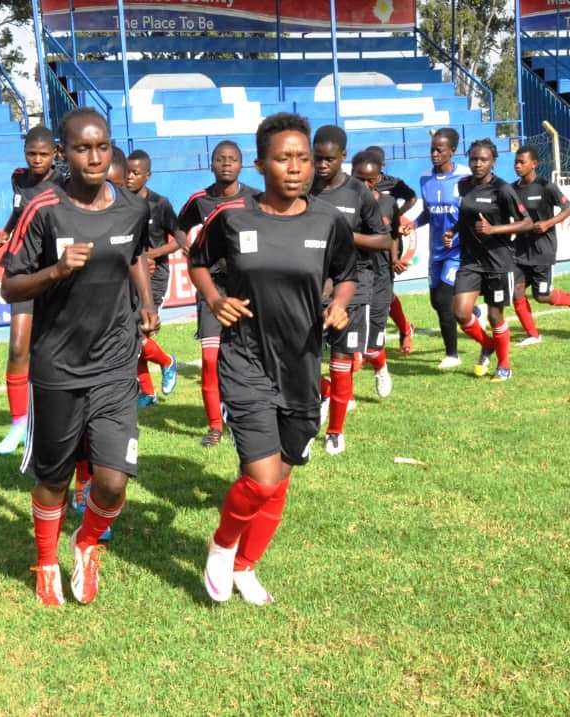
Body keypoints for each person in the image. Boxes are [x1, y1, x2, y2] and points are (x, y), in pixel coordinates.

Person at [189, 112, 357, 606]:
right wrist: (214, 298)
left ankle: (246, 566)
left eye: (303, 158)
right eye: (284, 158)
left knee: (279, 479)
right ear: (261, 163)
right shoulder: (233, 216)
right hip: (245, 360)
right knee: (260, 477)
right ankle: (222, 546)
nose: (296, 167)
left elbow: (347, 271)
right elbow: (198, 261)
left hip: (302, 365)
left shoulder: (328, 221)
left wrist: (341, 305)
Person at [1, 108, 159, 606]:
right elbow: (9, 286)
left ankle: (86, 543)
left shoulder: (132, 207)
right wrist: (55, 271)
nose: (94, 157)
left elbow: (135, 254)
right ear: (65, 155)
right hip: (58, 366)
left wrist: (147, 303)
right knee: (54, 478)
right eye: (82, 148)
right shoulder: (43, 207)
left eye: (102, 147)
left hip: (115, 362)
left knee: (112, 482)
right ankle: (46, 560)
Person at [309, 125, 390, 456]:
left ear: (343, 157)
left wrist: (343, 235)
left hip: (353, 286)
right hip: (311, 286)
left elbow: (384, 240)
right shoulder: (304, 188)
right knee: (302, 361)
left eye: (329, 159)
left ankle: (335, 431)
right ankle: (321, 395)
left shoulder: (359, 193)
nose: (323, 165)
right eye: (318, 158)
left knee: (342, 358)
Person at [176, 140, 260, 448]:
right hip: (212, 287)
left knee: (249, 357)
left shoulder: (254, 198)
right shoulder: (200, 200)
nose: (226, 163)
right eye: (220, 159)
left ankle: (248, 415)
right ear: (211, 164)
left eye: (233, 159)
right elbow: (179, 228)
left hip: (246, 288)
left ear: (242, 165)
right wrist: (189, 247)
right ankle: (214, 426)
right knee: (210, 359)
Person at [0, 126, 58, 455]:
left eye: (43, 154)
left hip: (55, 272)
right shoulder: (18, 177)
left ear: (55, 154)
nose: (36, 160)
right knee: (18, 347)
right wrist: (6, 231)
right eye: (31, 153)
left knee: (54, 349)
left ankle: (53, 417)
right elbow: (19, 211)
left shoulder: (63, 183)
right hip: (23, 269)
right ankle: (19, 422)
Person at [450, 139, 532, 382]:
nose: (477, 163)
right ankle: (487, 344)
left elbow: (526, 222)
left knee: (495, 316)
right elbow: (467, 217)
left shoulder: (503, 189)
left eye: (483, 159)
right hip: (470, 261)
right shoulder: (463, 186)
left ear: (493, 161)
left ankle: (504, 365)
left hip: (499, 262)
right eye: (474, 159)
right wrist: (453, 231)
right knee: (461, 312)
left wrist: (493, 230)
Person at [351, 151, 414, 397]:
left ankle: (380, 367)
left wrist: (395, 258)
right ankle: (346, 395)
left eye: (369, 179)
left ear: (377, 179)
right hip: (354, 276)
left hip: (381, 276)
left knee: (372, 343)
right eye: (359, 179)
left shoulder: (388, 203)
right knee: (350, 339)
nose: (364, 185)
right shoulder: (344, 204)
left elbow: (393, 238)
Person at [510, 146, 570, 345]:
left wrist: (547, 223)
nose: (517, 166)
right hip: (519, 249)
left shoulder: (546, 186)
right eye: (516, 162)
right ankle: (533, 335)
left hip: (543, 250)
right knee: (516, 292)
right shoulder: (512, 189)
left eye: (522, 162)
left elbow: (568, 208)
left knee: (542, 296)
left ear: (534, 164)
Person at [125, 148, 180, 406]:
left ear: (148, 175)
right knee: (129, 331)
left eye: (136, 173)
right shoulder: (120, 203)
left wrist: (151, 255)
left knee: (138, 329)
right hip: (129, 273)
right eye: (127, 171)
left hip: (154, 275)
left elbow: (180, 240)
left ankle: (167, 362)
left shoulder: (160, 204)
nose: (130, 177)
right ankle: (146, 392)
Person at [417, 129, 473, 369]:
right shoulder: (425, 179)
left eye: (440, 149)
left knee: (442, 299)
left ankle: (452, 355)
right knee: (436, 301)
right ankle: (472, 311)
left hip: (457, 251)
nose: (435, 153)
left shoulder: (465, 178)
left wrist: (457, 235)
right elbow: (429, 213)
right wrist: (413, 223)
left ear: (453, 151)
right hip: (436, 251)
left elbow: (471, 215)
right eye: (432, 148)